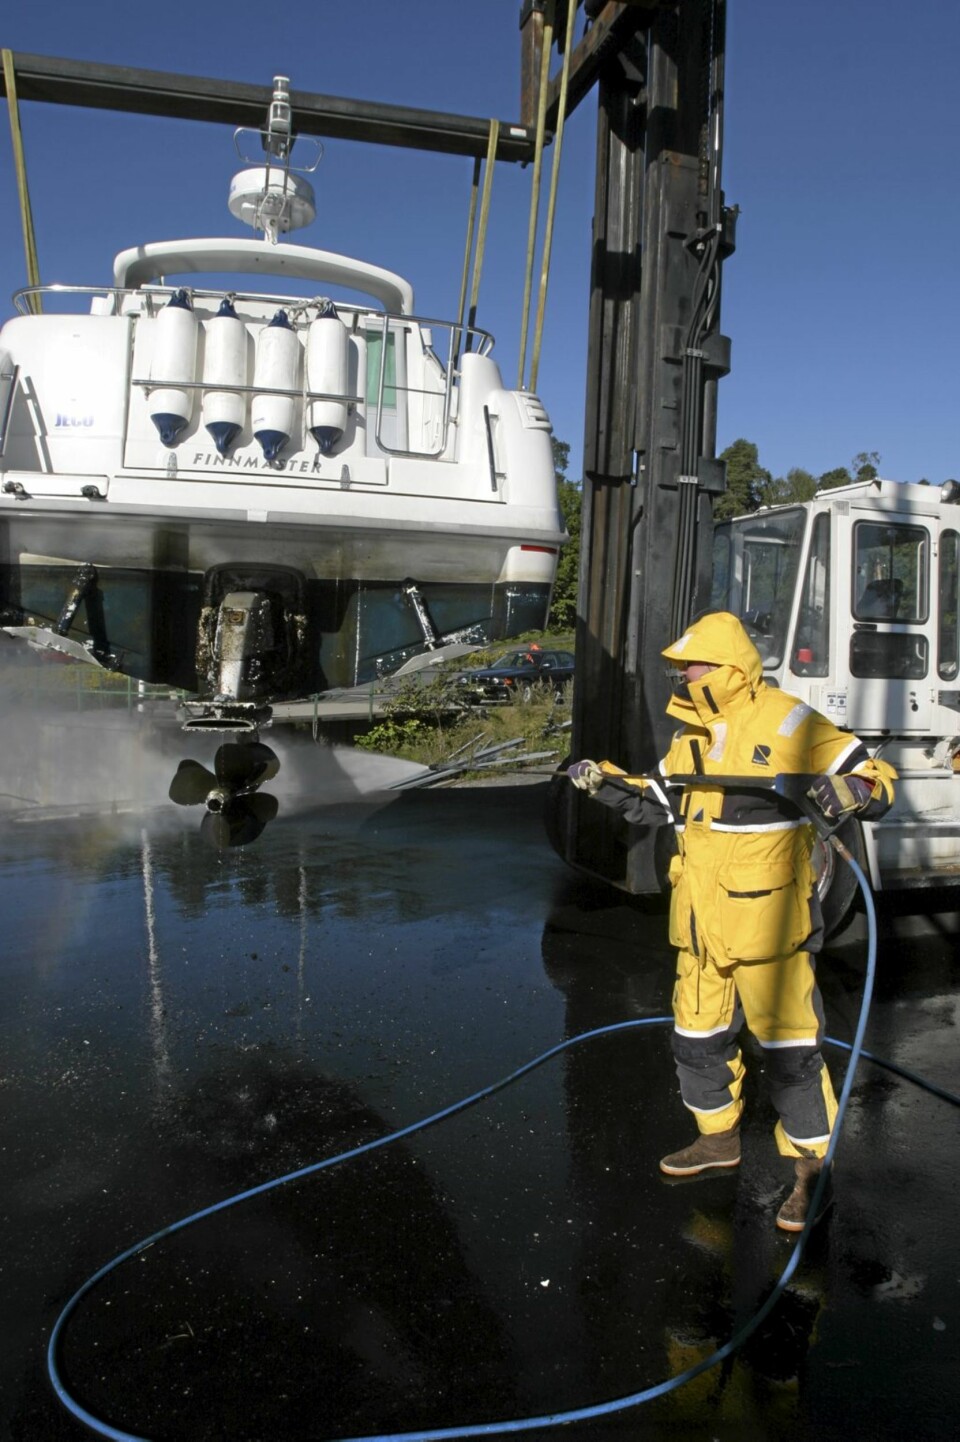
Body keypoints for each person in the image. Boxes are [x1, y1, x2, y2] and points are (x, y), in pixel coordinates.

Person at [567, 611, 896, 1233]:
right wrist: (605, 783)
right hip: (699, 933)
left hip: (769, 932)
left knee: (792, 1054)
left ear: (729, 666)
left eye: (692, 664)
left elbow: (874, 777)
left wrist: (851, 792)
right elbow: (659, 802)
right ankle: (718, 1140)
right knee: (695, 1041)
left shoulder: (788, 720)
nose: (682, 674)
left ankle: (810, 1173)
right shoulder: (690, 736)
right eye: (680, 667)